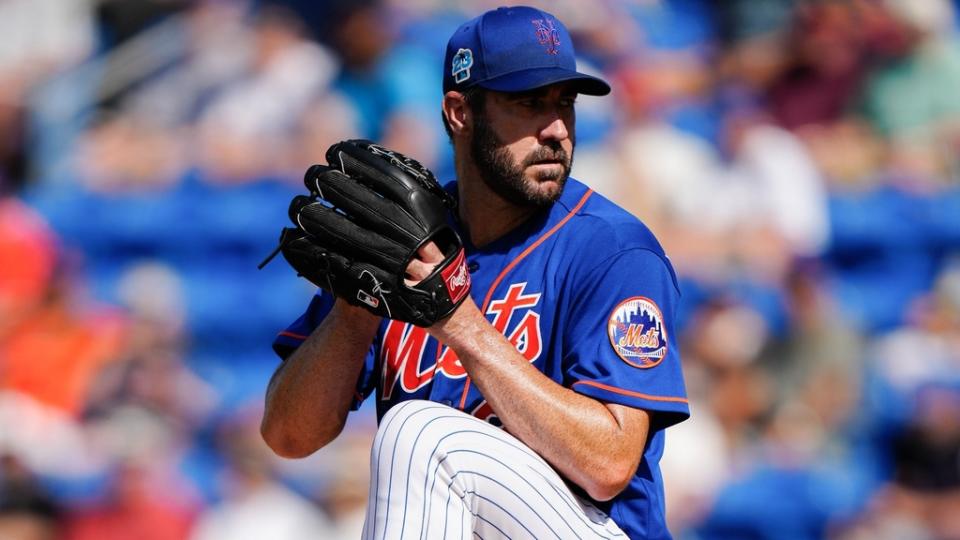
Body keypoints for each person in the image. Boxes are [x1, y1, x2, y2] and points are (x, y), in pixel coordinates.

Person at [260, 5, 689, 539]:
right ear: (459, 112)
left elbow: (608, 467)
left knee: (417, 431)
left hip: (596, 527)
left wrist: (462, 326)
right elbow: (287, 436)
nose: (556, 129)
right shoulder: (405, 240)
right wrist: (354, 312)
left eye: (565, 103)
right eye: (530, 103)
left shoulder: (612, 250)